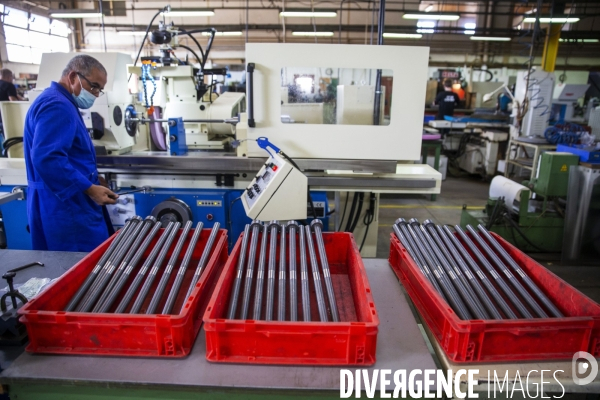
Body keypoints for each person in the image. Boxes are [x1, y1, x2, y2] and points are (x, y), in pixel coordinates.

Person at [23, 55, 118, 251]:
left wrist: (93, 179)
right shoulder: (57, 106)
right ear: (73, 77)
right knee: (78, 269)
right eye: (94, 87)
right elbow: (48, 158)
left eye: (100, 90)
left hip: (64, 198)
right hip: (65, 207)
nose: (96, 94)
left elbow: (69, 155)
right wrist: (89, 188)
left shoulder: (61, 102)